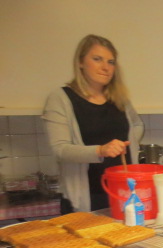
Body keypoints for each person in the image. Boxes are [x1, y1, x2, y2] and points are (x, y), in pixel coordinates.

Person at [42, 34, 144, 213]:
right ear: (81, 62)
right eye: (97, 59)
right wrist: (100, 151)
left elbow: (137, 126)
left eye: (111, 62)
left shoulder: (119, 99)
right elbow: (60, 149)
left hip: (122, 193)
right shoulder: (61, 99)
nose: (105, 67)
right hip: (85, 197)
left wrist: (128, 143)